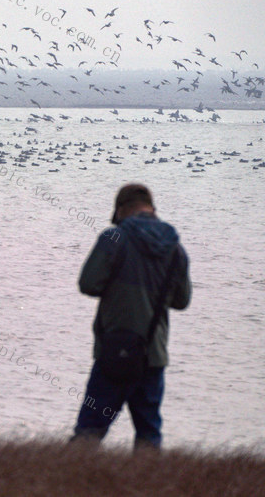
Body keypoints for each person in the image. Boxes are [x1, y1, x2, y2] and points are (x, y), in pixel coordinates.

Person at [71, 183, 191, 450]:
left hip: (114, 352)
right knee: (149, 436)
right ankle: (146, 488)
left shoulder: (114, 238)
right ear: (152, 209)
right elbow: (182, 302)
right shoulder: (175, 248)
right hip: (153, 355)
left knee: (88, 432)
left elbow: (88, 284)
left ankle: (67, 486)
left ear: (121, 210)